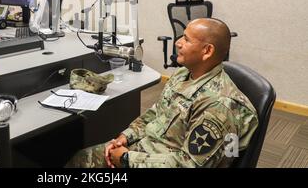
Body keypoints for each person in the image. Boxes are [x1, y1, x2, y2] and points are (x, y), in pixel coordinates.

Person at [67, 18, 258, 168]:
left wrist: (126, 160)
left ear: (207, 51)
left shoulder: (218, 105)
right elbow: (157, 113)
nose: (177, 42)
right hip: (147, 150)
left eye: (186, 39)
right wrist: (124, 137)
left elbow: (188, 165)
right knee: (79, 159)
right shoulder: (183, 74)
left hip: (159, 160)